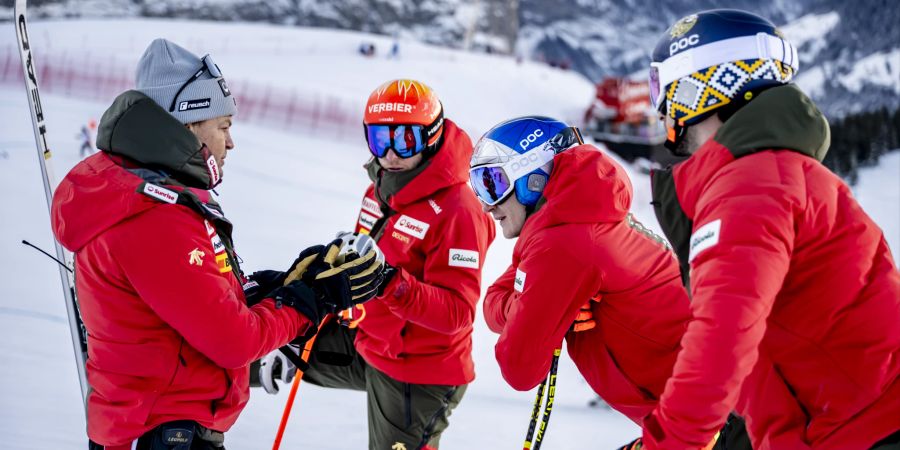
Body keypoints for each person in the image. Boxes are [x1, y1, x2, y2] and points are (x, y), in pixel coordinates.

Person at [51, 38, 384, 450]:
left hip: (157, 425)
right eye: (224, 127)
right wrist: (311, 298)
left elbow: (192, 306)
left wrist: (277, 286)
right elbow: (234, 341)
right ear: (188, 124)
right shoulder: (153, 215)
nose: (231, 143)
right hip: (161, 430)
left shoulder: (146, 191)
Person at [638, 9, 900, 449]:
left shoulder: (750, 185)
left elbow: (722, 336)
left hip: (864, 432)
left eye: (668, 96)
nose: (667, 122)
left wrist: (671, 441)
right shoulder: (774, 174)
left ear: (700, 90)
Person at [471, 116, 749, 449]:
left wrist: (541, 305)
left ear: (534, 177)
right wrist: (543, 303)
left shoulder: (562, 245)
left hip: (717, 423)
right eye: (480, 186)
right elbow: (494, 299)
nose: (488, 206)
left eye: (494, 183)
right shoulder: (581, 216)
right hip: (709, 413)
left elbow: (519, 367)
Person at [260, 79, 495, 450]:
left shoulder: (459, 211)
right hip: (371, 341)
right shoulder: (380, 189)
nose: (390, 153)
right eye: (378, 139)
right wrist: (307, 325)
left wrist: (387, 282)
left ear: (431, 137)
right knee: (251, 348)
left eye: (404, 140)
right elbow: (357, 269)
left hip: (418, 371)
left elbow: (457, 314)